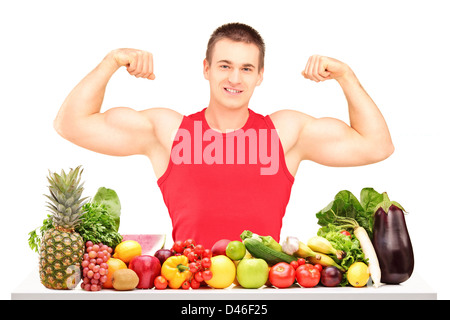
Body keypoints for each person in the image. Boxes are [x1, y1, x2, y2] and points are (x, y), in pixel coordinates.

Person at [54, 23, 394, 249]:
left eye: (247, 68)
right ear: (206, 68)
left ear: (260, 75)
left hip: (265, 288)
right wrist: (111, 61)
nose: (235, 78)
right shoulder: (169, 131)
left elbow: (376, 146)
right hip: (187, 286)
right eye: (224, 65)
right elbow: (70, 124)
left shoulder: (285, 133)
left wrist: (346, 76)